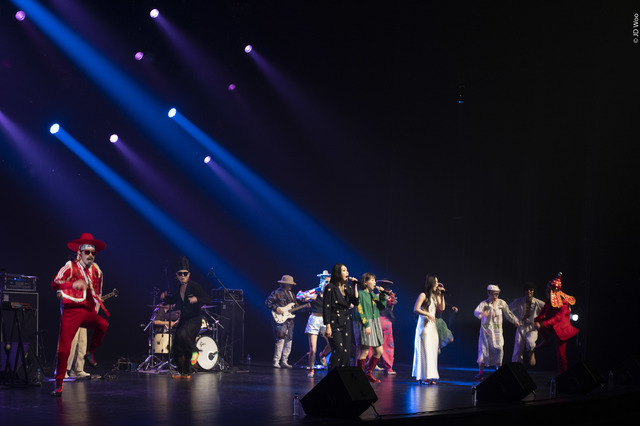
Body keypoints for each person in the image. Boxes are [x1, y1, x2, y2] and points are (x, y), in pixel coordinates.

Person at [50, 233, 109, 397]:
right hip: (71, 311)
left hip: (87, 311)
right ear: (79, 252)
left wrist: (96, 306)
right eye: (87, 252)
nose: (90, 255)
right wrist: (73, 284)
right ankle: (60, 380)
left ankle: (83, 362)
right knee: (66, 347)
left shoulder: (97, 271)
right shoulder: (70, 266)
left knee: (101, 325)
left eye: (93, 252)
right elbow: (55, 283)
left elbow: (98, 291)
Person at [167, 256, 211, 378]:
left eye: (185, 274)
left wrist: (197, 299)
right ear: (176, 275)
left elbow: (208, 298)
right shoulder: (178, 288)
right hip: (184, 319)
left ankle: (195, 351)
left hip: (195, 319)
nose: (182, 276)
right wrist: (165, 298)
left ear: (189, 274)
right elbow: (174, 300)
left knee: (182, 335)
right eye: (180, 274)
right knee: (176, 346)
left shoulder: (194, 286)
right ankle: (185, 372)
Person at [534, 272, 579, 374]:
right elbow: (543, 313)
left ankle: (563, 375)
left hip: (562, 329)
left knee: (561, 355)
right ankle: (546, 341)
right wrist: (537, 321)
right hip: (552, 326)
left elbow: (557, 318)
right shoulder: (549, 300)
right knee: (537, 320)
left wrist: (542, 324)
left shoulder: (564, 303)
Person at [473, 284, 520, 379]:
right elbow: (476, 312)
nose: (496, 296)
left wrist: (515, 320)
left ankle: (498, 370)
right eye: (494, 294)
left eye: (497, 294)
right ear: (489, 293)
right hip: (486, 332)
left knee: (499, 349)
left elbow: (508, 313)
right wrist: (482, 313)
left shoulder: (501, 303)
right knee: (484, 350)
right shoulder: (484, 304)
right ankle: (480, 372)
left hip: (497, 331)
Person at [323, 263, 359, 369]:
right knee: (338, 349)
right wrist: (328, 326)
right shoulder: (330, 287)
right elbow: (326, 308)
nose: (347, 273)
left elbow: (355, 302)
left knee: (346, 351)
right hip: (334, 321)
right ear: (338, 273)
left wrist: (354, 286)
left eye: (347, 270)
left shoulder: (348, 288)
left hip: (346, 320)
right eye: (344, 270)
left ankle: (343, 377)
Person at [296, 270, 332, 378]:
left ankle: (323, 355)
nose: (327, 284)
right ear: (321, 281)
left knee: (332, 344)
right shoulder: (315, 291)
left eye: (329, 282)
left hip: (326, 320)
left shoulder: (330, 294)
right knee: (313, 348)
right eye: (326, 281)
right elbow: (299, 295)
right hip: (314, 319)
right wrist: (308, 297)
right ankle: (311, 370)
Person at [265, 275, 306, 368]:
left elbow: (295, 307)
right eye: (289, 284)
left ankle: (284, 361)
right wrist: (277, 308)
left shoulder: (292, 294)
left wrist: (304, 307)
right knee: (280, 340)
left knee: (289, 341)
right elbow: (267, 303)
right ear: (284, 284)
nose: (291, 286)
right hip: (280, 319)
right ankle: (276, 361)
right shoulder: (276, 293)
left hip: (290, 320)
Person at [412, 274, 446, 385]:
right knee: (425, 350)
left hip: (432, 327)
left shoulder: (435, 296)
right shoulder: (423, 295)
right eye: (436, 282)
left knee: (432, 352)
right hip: (424, 326)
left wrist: (442, 295)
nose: (437, 284)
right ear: (431, 282)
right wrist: (427, 314)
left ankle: (430, 376)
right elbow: (416, 309)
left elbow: (441, 308)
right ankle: (423, 376)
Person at [353, 272, 387, 383]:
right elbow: (359, 310)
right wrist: (366, 324)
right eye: (372, 280)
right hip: (366, 322)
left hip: (376, 323)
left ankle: (369, 373)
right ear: (365, 282)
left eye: (374, 280)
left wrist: (382, 294)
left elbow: (382, 306)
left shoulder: (373, 295)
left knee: (379, 351)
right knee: (365, 351)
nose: (374, 282)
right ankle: (359, 377)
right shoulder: (361, 294)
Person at [509, 282, 545, 366]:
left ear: (533, 291)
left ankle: (531, 353)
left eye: (531, 290)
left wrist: (541, 323)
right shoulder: (519, 301)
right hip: (521, 326)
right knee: (518, 348)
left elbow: (548, 311)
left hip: (532, 326)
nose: (529, 291)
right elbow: (508, 310)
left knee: (531, 342)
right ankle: (516, 367)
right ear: (524, 291)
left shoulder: (538, 303)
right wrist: (515, 320)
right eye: (527, 290)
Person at [370, 279, 397, 375]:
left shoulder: (377, 296)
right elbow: (391, 309)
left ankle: (372, 365)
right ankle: (388, 367)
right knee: (387, 345)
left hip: (378, 321)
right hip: (385, 322)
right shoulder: (390, 298)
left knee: (374, 344)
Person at [435, 283, 458, 352]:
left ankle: (438, 346)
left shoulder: (441, 298)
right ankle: (436, 346)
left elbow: (445, 305)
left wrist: (452, 307)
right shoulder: (433, 297)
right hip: (433, 320)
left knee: (450, 338)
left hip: (440, 321)